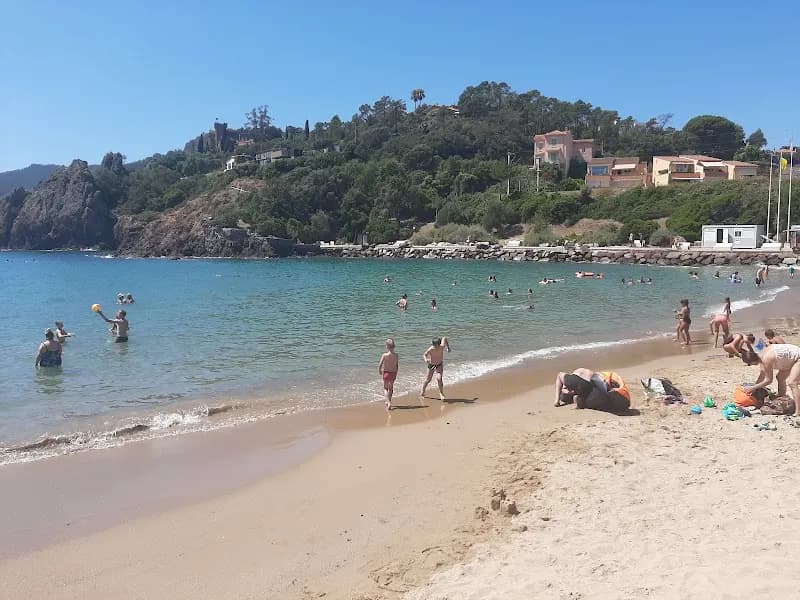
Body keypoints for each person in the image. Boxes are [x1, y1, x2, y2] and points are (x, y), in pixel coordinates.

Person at [744, 344, 800, 416]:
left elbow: (769, 380)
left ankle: (798, 411)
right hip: (790, 359)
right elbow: (762, 376)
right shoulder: (761, 355)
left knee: (792, 382)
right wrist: (754, 388)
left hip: (797, 357)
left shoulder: (766, 359)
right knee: (780, 377)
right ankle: (781, 397)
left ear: (752, 362)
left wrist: (753, 388)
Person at [554, 369, 630, 412]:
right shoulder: (578, 376)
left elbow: (560, 376)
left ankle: (556, 401)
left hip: (586, 383)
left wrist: (559, 398)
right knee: (582, 395)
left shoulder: (574, 376)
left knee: (559, 374)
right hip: (592, 387)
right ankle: (577, 401)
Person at [378, 338, 399, 410]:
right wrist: (396, 372)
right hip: (393, 373)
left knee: (385, 388)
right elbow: (396, 365)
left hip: (386, 373)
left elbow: (380, 365)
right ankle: (389, 400)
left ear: (386, 346)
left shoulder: (384, 355)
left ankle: (388, 402)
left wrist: (379, 370)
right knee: (391, 388)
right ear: (394, 346)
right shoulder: (396, 355)